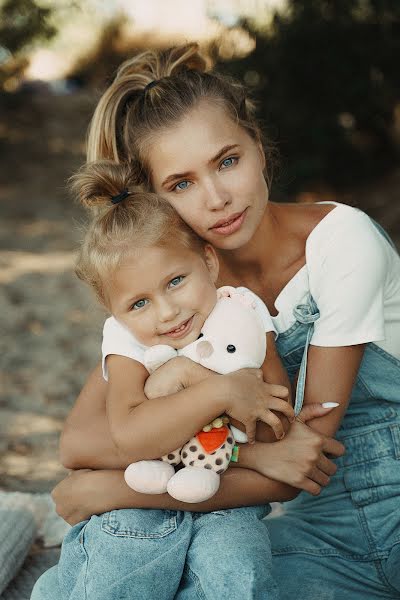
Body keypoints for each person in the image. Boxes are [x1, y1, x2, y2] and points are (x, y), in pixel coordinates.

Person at [36, 44, 400, 599]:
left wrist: (113, 490)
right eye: (180, 184)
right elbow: (81, 440)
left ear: (259, 146)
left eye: (227, 161)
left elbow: (301, 460)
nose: (218, 199)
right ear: (154, 203)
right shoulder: (182, 286)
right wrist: (250, 449)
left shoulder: (342, 244)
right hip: (317, 535)